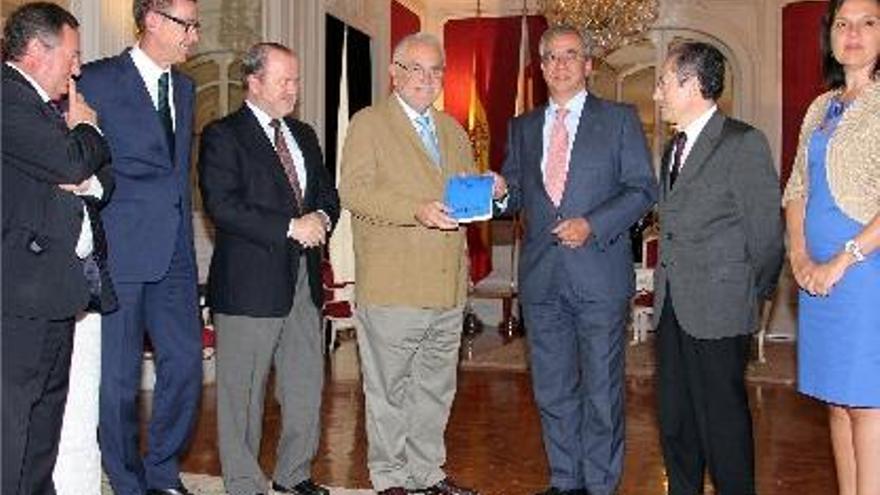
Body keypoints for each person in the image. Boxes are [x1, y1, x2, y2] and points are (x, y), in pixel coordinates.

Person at [339, 32, 504, 495]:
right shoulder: (369, 123)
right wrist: (416, 208)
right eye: (416, 68)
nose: (426, 79)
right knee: (389, 391)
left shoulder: (451, 128)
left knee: (435, 389)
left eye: (435, 71)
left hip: (448, 287)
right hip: (394, 285)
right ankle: (390, 478)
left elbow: (463, 199)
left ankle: (426, 474)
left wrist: (493, 189)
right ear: (394, 72)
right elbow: (355, 191)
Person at [499, 25, 657, 495]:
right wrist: (498, 191)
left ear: (588, 64)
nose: (560, 65)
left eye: (570, 56)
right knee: (552, 390)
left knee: (602, 392)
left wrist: (593, 222)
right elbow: (515, 198)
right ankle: (565, 481)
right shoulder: (522, 128)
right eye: (550, 57)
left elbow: (642, 189)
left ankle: (600, 484)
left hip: (599, 276)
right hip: (542, 280)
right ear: (541, 66)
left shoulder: (620, 119)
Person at [198, 42, 340, 495]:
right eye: (284, 81)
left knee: (304, 386)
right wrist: (289, 226)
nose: (293, 90)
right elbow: (223, 206)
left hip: (303, 282)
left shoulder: (305, 135)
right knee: (242, 396)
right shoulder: (223, 134)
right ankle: (243, 483)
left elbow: (327, 195)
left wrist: (321, 218)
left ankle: (293, 474)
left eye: (296, 80)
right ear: (254, 82)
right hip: (248, 286)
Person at [77, 0, 203, 493]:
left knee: (185, 364)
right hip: (121, 252)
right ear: (152, 20)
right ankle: (127, 481)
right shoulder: (97, 79)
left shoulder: (186, 88)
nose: (194, 35)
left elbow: (176, 176)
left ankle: (162, 470)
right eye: (186, 24)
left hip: (174, 254)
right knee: (119, 381)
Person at [651, 42, 784, 494]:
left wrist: (746, 295)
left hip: (721, 310)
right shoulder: (674, 147)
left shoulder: (743, 142)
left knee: (722, 425)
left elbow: (767, 237)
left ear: (691, 85)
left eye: (665, 82)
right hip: (672, 306)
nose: (657, 94)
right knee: (675, 420)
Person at [1, 3, 113, 494]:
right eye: (71, 55)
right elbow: (72, 162)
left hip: (55, 294)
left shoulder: (44, 108)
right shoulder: (7, 98)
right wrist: (86, 127)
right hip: (17, 300)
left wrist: (82, 171)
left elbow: (96, 177)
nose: (77, 67)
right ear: (34, 51)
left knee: (43, 425)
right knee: (11, 431)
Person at [782, 0, 880, 492]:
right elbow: (797, 188)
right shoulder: (821, 106)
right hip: (819, 274)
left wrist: (843, 259)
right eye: (843, 23)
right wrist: (800, 256)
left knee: (868, 403)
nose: (854, 33)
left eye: (868, 23)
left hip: (867, 275)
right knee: (838, 403)